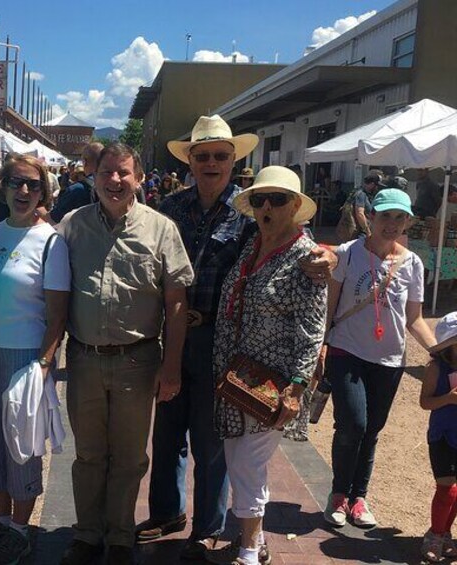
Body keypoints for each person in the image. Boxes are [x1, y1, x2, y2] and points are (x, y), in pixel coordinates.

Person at [149, 115, 335, 561]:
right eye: (203, 155)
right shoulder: (171, 208)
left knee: (213, 439)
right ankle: (166, 514)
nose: (211, 162)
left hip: (222, 340)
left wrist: (323, 256)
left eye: (220, 155)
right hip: (174, 332)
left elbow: (292, 238)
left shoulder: (250, 206)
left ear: (234, 159)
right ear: (190, 161)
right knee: (168, 431)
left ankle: (209, 528)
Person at [59, 143, 194, 565]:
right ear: (93, 176)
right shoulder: (71, 226)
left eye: (123, 173)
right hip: (84, 358)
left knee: (131, 457)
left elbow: (175, 303)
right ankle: (87, 534)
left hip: (138, 361)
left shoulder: (161, 229)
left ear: (138, 177)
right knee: (88, 456)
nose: (114, 181)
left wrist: (171, 367)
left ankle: (119, 537)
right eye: (106, 173)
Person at [205, 166, 327, 565]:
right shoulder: (253, 245)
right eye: (259, 200)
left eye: (277, 199)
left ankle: (249, 550)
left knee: (247, 464)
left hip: (272, 384)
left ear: (296, 205)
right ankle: (252, 541)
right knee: (239, 459)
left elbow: (312, 331)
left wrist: (296, 388)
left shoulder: (306, 259)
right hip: (236, 379)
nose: (267, 207)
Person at [0, 153, 71, 564]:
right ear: (2, 187)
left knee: (23, 446)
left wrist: (44, 365)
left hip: (27, 356)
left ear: (44, 191)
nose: (23, 191)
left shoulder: (51, 242)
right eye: (15, 182)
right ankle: (0, 523)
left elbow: (58, 313)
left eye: (32, 184)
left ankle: (21, 529)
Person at [323, 189, 437, 530]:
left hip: (389, 359)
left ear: (408, 222)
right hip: (346, 351)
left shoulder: (412, 264)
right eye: (385, 216)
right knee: (353, 424)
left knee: (372, 430)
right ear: (369, 217)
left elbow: (414, 319)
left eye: (399, 217)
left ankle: (359, 498)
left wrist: (441, 353)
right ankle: (338, 495)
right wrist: (320, 348)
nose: (391, 224)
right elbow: (329, 308)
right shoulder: (347, 254)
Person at [420, 312, 457, 563]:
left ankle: (444, 532)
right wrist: (449, 398)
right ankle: (435, 534)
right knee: (448, 489)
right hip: (443, 435)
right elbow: (425, 402)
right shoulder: (436, 368)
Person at [48, 142, 103, 223]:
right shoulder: (111, 187)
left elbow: (54, 220)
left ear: (84, 162)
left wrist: (38, 208)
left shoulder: (76, 190)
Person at [336, 173, 381, 243]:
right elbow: (360, 214)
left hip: (357, 231)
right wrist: (368, 232)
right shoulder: (361, 194)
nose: (377, 188)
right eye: (376, 186)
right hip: (359, 233)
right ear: (372, 184)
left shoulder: (358, 191)